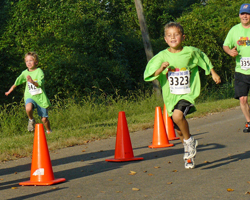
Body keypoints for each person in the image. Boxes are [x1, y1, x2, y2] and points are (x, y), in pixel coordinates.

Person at [144, 22, 221, 169]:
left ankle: (190, 141)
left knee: (178, 117)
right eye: (169, 35)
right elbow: (149, 74)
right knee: (179, 130)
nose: (173, 37)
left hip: (187, 94)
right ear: (165, 39)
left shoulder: (191, 52)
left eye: (176, 34)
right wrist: (161, 68)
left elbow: (203, 58)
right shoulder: (161, 56)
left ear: (183, 37)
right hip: (171, 97)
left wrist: (213, 72)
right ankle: (188, 154)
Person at [5, 51, 52, 134]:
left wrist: (32, 82)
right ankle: (31, 120)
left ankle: (49, 130)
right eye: (27, 61)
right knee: (28, 108)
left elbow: (40, 84)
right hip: (30, 96)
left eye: (31, 60)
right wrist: (10, 90)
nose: (29, 63)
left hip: (40, 97)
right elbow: (17, 82)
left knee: (44, 119)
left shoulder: (39, 71)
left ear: (36, 62)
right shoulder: (25, 73)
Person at [223, 3, 250, 133]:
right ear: (239, 15)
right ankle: (249, 122)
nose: (245, 16)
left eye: (248, 13)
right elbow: (226, 45)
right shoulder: (234, 30)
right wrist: (229, 52)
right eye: (243, 13)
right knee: (243, 98)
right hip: (241, 70)